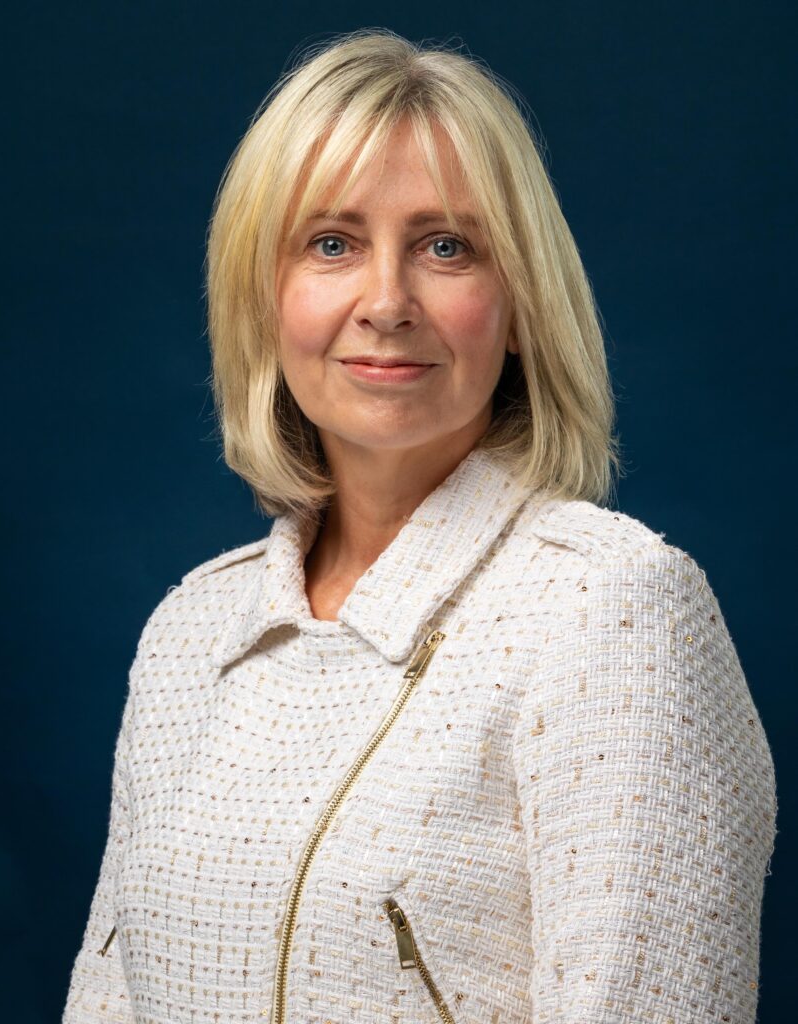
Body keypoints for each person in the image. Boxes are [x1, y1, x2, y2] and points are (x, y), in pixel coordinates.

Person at [61, 28, 777, 1024]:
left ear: (521, 301)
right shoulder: (190, 634)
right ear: (264, 298)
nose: (386, 301)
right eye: (332, 244)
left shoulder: (613, 609)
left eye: (447, 247)